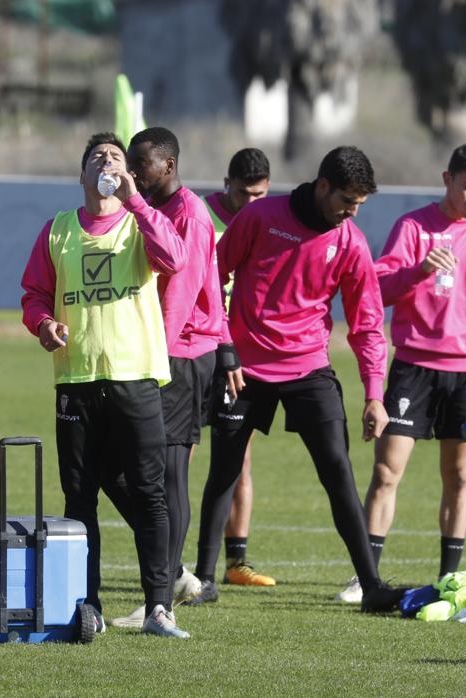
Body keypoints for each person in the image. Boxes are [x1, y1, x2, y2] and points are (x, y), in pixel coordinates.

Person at [192, 145, 404, 611]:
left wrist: (374, 394)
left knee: (338, 472)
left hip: (309, 367)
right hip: (243, 370)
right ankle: (204, 580)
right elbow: (211, 278)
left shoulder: (350, 241)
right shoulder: (261, 217)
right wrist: (224, 348)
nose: (351, 212)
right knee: (223, 472)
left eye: (359, 206)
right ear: (323, 186)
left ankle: (371, 587)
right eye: (347, 201)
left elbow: (367, 323)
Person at [21, 132, 190, 638]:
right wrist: (42, 324)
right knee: (79, 498)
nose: (106, 161)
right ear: (81, 176)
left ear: (129, 175)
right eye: (96, 157)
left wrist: (136, 199)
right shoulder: (58, 231)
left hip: (134, 376)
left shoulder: (141, 223)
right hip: (76, 379)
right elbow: (33, 294)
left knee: (149, 492)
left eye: (115, 157)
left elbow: (176, 259)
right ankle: (85, 605)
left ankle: (159, 606)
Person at [338, 144, 466, 603]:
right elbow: (375, 289)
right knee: (386, 472)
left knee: (458, 477)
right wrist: (418, 271)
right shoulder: (414, 227)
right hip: (414, 367)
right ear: (447, 180)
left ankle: (448, 579)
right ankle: (366, 578)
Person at [107, 126, 220, 628]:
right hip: (157, 353)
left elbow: (180, 294)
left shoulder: (191, 214)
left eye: (141, 164)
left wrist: (155, 360)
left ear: (168, 166)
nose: (133, 172)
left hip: (180, 354)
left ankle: (163, 601)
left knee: (170, 473)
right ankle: (172, 571)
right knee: (114, 467)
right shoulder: (155, 208)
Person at [198, 146, 276, 589]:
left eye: (260, 194)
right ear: (226, 184)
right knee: (179, 454)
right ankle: (172, 560)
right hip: (196, 348)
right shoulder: (199, 215)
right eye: (245, 193)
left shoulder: (267, 220)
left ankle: (236, 563)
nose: (252, 203)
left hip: (238, 355)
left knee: (238, 460)